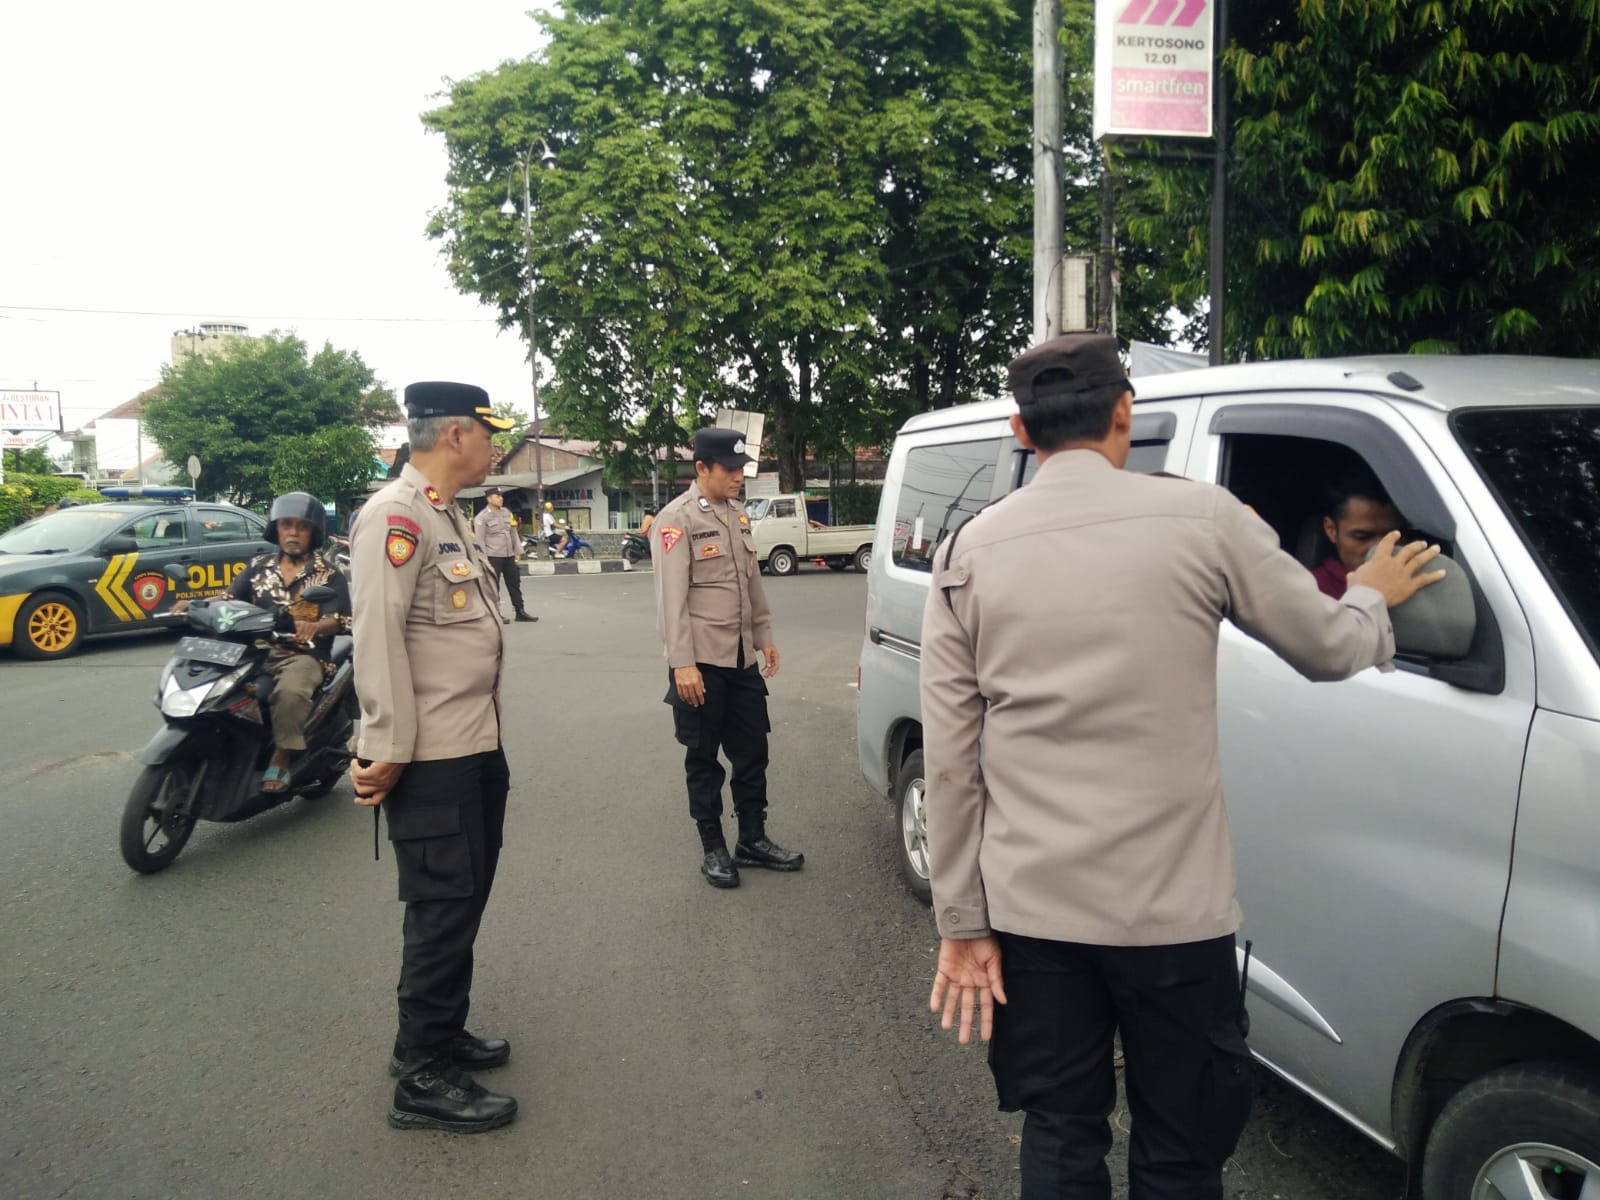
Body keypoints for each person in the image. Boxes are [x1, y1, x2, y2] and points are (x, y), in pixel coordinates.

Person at [919, 333, 1445, 1199]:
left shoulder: (967, 552)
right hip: (1173, 920)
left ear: (1021, 430)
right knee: (1181, 1145)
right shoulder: (1203, 519)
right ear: (1125, 412)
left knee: (1060, 1131)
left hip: (1035, 915)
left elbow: (952, 760)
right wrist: (1371, 591)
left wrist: (963, 924)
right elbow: (1328, 647)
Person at [348, 380, 520, 1134]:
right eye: (488, 433)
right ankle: (421, 1076)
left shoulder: (444, 514)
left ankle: (437, 1035)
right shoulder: (395, 516)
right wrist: (383, 745)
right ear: (455, 435)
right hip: (433, 757)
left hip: (475, 743)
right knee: (442, 911)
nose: (494, 447)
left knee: (465, 898)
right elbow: (377, 634)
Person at [652, 427, 803, 888]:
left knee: (753, 750)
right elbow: (670, 600)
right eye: (731, 469)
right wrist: (682, 664)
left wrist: (765, 636)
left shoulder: (738, 515)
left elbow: (751, 584)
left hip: (741, 661)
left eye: (742, 469)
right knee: (703, 758)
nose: (740, 477)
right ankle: (714, 847)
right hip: (701, 663)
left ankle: (752, 839)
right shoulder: (675, 520)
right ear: (702, 468)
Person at [175, 492, 350, 793]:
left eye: (302, 526)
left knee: (291, 692)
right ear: (276, 528)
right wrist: (196, 604)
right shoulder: (259, 565)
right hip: (253, 648)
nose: (293, 532)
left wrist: (315, 625)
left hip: (302, 654)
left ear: (314, 532)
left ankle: (281, 757)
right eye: (286, 525)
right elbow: (228, 598)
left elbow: (342, 619)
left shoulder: (328, 574)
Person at [1311, 473, 1403, 598]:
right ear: (1331, 530)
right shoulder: (1311, 591)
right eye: (1362, 537)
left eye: (1392, 537)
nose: (1377, 550)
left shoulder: (1420, 582)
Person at [473, 486, 535, 623]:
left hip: (508, 555)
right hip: (492, 556)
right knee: (493, 586)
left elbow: (513, 533)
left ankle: (520, 611)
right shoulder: (482, 517)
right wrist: (483, 560)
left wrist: (518, 552)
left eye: (501, 496)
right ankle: (495, 614)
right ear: (489, 499)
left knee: (514, 583)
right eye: (497, 496)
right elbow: (479, 540)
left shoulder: (507, 513)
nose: (500, 498)